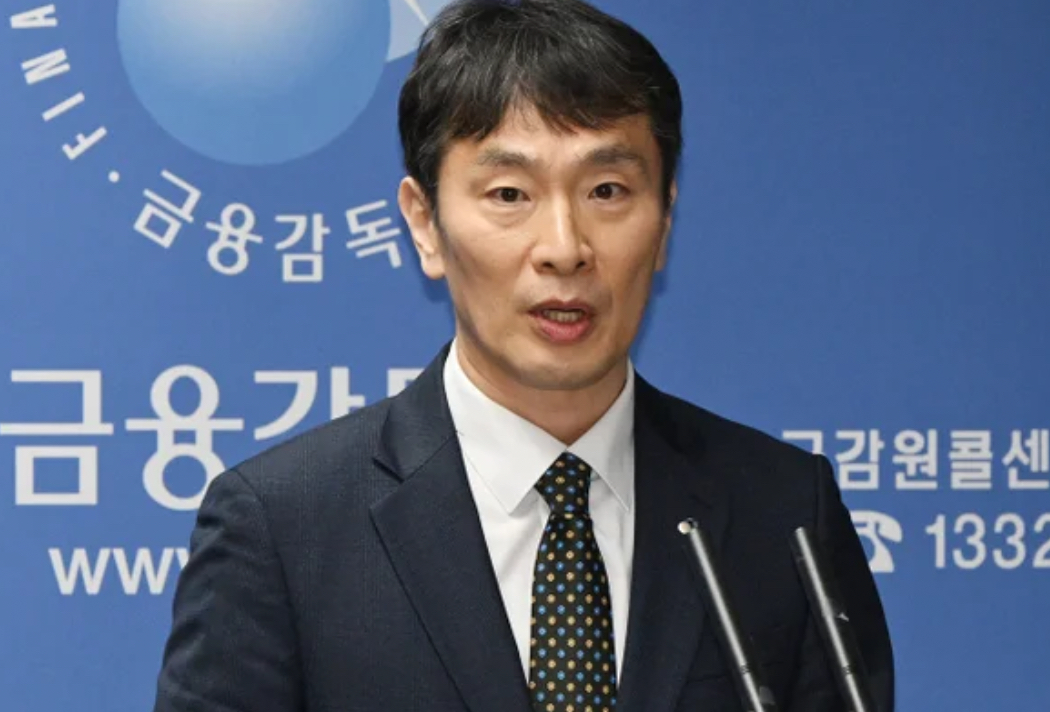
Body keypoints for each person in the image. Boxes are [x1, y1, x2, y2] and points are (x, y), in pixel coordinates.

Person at [152, 0, 894, 710]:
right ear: (425, 223)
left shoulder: (782, 513)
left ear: (665, 220)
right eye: (510, 195)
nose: (565, 248)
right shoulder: (284, 527)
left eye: (608, 190)